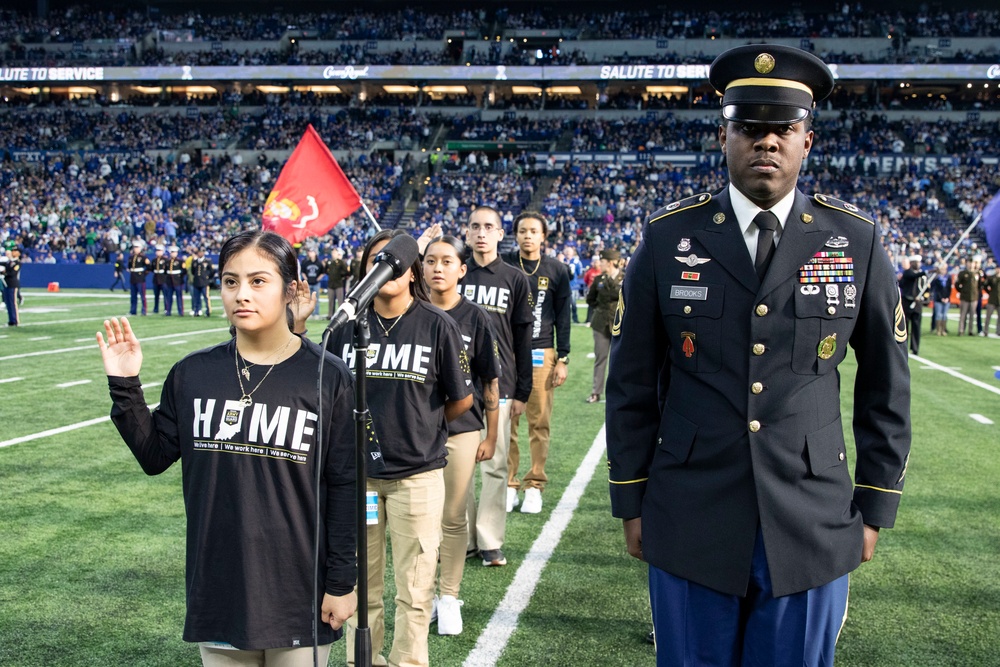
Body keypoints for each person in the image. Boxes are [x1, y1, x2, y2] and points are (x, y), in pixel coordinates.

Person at [605, 44, 911, 667]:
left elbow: (886, 384)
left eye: (782, 129)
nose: (765, 141)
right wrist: (630, 501)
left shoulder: (855, 240)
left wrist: (875, 505)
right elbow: (631, 384)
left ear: (807, 140)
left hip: (811, 516)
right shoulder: (668, 239)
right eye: (750, 127)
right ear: (725, 137)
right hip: (690, 511)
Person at [97, 230, 358, 666]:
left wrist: (342, 581)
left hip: (300, 587)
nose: (242, 294)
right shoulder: (193, 373)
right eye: (230, 281)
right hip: (220, 583)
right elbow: (154, 456)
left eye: (258, 281)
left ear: (290, 289)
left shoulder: (327, 377)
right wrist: (126, 386)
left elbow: (345, 487)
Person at [325, 230, 473, 667]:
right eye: (375, 260)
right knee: (362, 585)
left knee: (415, 588)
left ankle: (408, 662)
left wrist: (422, 428)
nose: (383, 268)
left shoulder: (437, 324)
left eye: (392, 260)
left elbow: (461, 397)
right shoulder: (346, 325)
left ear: (411, 271)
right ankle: (361, 661)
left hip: (417, 477)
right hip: (358, 480)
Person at [422, 234, 501, 636]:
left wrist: (491, 434)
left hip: (461, 430)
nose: (438, 267)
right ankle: (424, 596)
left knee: (453, 517)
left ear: (461, 269)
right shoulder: (411, 313)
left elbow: (490, 379)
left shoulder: (476, 316)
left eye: (446, 261)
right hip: (416, 431)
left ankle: (449, 596)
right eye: (430, 260)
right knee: (420, 521)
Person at [458, 205, 533, 567]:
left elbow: (523, 338)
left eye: (489, 226)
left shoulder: (515, 278)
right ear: (467, 233)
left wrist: (523, 390)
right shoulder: (455, 273)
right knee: (456, 467)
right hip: (455, 385)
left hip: (498, 386)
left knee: (496, 465)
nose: (482, 233)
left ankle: (488, 539)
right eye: (475, 227)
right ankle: (462, 537)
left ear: (501, 234)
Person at [502, 211, 572, 514]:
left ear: (543, 236)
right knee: (506, 422)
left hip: (542, 353)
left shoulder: (557, 269)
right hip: (507, 353)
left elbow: (563, 316)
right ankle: (508, 483)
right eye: (522, 231)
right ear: (515, 234)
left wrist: (563, 357)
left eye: (533, 231)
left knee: (538, 422)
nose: (527, 236)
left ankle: (534, 485)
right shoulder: (503, 265)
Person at [585, 248, 624, 404]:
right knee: (600, 359)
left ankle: (620, 392)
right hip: (600, 323)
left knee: (620, 360)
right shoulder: (598, 279)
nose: (599, 264)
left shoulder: (625, 278)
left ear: (610, 262)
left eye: (602, 261)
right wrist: (601, 310)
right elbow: (590, 299)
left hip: (619, 322)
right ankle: (596, 392)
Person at [898, 255, 927, 354]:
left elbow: (925, 288)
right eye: (917, 263)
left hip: (918, 303)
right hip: (907, 302)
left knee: (916, 326)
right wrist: (927, 272)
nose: (918, 264)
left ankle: (915, 348)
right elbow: (912, 277)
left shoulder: (921, 275)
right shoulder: (908, 273)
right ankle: (903, 347)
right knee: (905, 326)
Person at [955, 257, 979, 336]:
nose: (971, 264)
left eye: (972, 263)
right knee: (963, 315)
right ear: (967, 263)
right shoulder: (963, 273)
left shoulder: (977, 273)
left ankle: (970, 330)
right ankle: (961, 330)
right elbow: (957, 284)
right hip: (965, 297)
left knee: (972, 315)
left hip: (974, 297)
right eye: (969, 262)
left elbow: (980, 285)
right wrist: (962, 291)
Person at [127, 239, 151, 316]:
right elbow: (129, 267)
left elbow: (149, 267)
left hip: (140, 278)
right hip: (133, 277)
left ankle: (144, 310)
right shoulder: (131, 257)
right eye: (134, 247)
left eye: (137, 247)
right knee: (133, 296)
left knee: (142, 296)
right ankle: (133, 310)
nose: (135, 249)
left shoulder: (143, 257)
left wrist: (143, 274)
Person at [300, 246, 325, 318]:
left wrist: (318, 279)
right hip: (308, 283)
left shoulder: (319, 263)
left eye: (312, 252)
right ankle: (309, 314)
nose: (310, 253)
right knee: (308, 300)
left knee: (316, 299)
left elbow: (322, 272)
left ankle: (316, 313)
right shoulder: (305, 262)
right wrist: (306, 279)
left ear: (315, 253)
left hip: (316, 283)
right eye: (309, 252)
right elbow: (303, 272)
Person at [929, 262, 953, 336]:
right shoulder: (936, 278)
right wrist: (941, 298)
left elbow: (949, 289)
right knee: (938, 314)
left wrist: (947, 298)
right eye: (942, 269)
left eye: (944, 269)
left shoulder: (948, 278)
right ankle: (938, 330)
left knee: (944, 315)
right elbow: (935, 290)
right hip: (938, 299)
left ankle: (943, 329)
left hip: (946, 299)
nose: (943, 271)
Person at [326, 248, 350, 319]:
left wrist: (341, 276)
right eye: (332, 253)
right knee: (331, 300)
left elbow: (346, 271)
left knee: (340, 300)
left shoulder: (341, 262)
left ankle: (340, 315)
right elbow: (326, 271)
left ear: (338, 254)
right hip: (331, 283)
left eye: (335, 253)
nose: (333, 254)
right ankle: (330, 315)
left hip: (339, 283)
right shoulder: (329, 262)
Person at [190, 248, 214, 317]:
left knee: (206, 297)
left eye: (201, 252)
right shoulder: (194, 262)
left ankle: (208, 311)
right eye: (199, 252)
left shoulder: (207, 261)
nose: (200, 254)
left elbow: (211, 271)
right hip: (196, 282)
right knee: (196, 297)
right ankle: (197, 310)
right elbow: (192, 271)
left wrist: (207, 277)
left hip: (204, 282)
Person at [164, 245, 186, 316]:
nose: (172, 253)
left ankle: (180, 311)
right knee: (169, 297)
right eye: (171, 252)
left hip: (178, 281)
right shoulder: (167, 261)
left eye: (174, 252)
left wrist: (179, 278)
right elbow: (165, 271)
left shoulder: (180, 261)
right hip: (170, 281)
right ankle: (168, 311)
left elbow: (184, 271)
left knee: (179, 297)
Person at [2, 247, 20, 326]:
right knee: (8, 303)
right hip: (6, 283)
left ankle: (15, 320)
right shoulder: (9, 262)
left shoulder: (17, 263)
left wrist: (4, 273)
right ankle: (10, 320)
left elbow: (13, 273)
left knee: (13, 303)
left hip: (12, 284)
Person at [151, 244, 169, 314]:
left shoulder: (166, 260)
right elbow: (152, 269)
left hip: (163, 279)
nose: (158, 252)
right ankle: (156, 308)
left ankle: (166, 308)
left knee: (165, 295)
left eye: (160, 250)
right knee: (156, 295)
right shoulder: (154, 260)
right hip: (156, 279)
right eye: (157, 251)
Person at [983, 265, 1000, 336]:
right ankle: (985, 331)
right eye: (997, 268)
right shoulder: (992, 277)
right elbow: (985, 285)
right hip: (992, 299)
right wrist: (989, 292)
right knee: (988, 316)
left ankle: (998, 331)